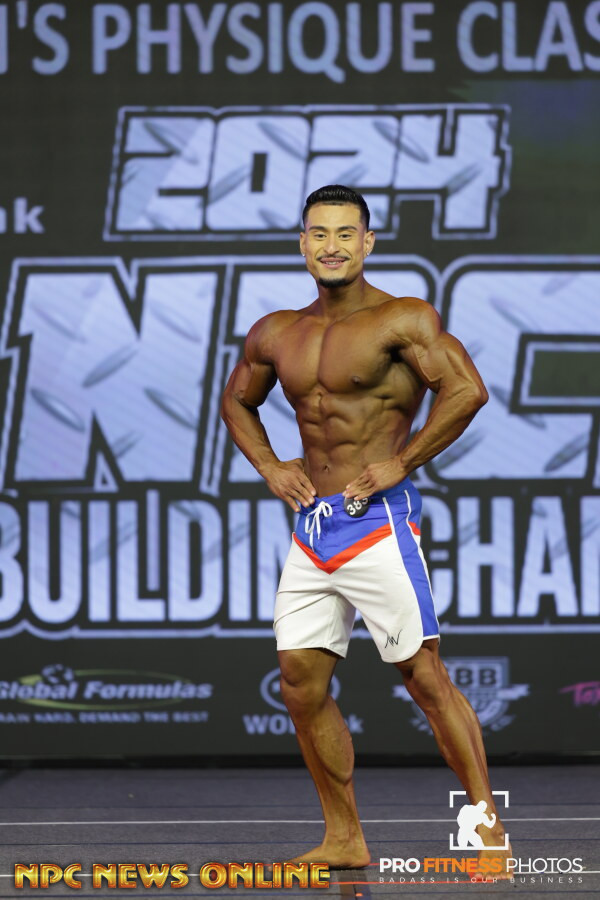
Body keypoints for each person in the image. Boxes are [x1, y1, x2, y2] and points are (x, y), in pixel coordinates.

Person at [221, 184, 510, 875]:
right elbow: (236, 400)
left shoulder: (401, 319)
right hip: (314, 528)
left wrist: (401, 462)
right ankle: (344, 837)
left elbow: (467, 389)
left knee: (424, 676)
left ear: (368, 242)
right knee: (299, 682)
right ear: (302, 244)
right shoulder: (276, 332)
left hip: (377, 523)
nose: (332, 247)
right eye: (319, 234)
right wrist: (270, 466)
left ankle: (487, 830)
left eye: (346, 234)